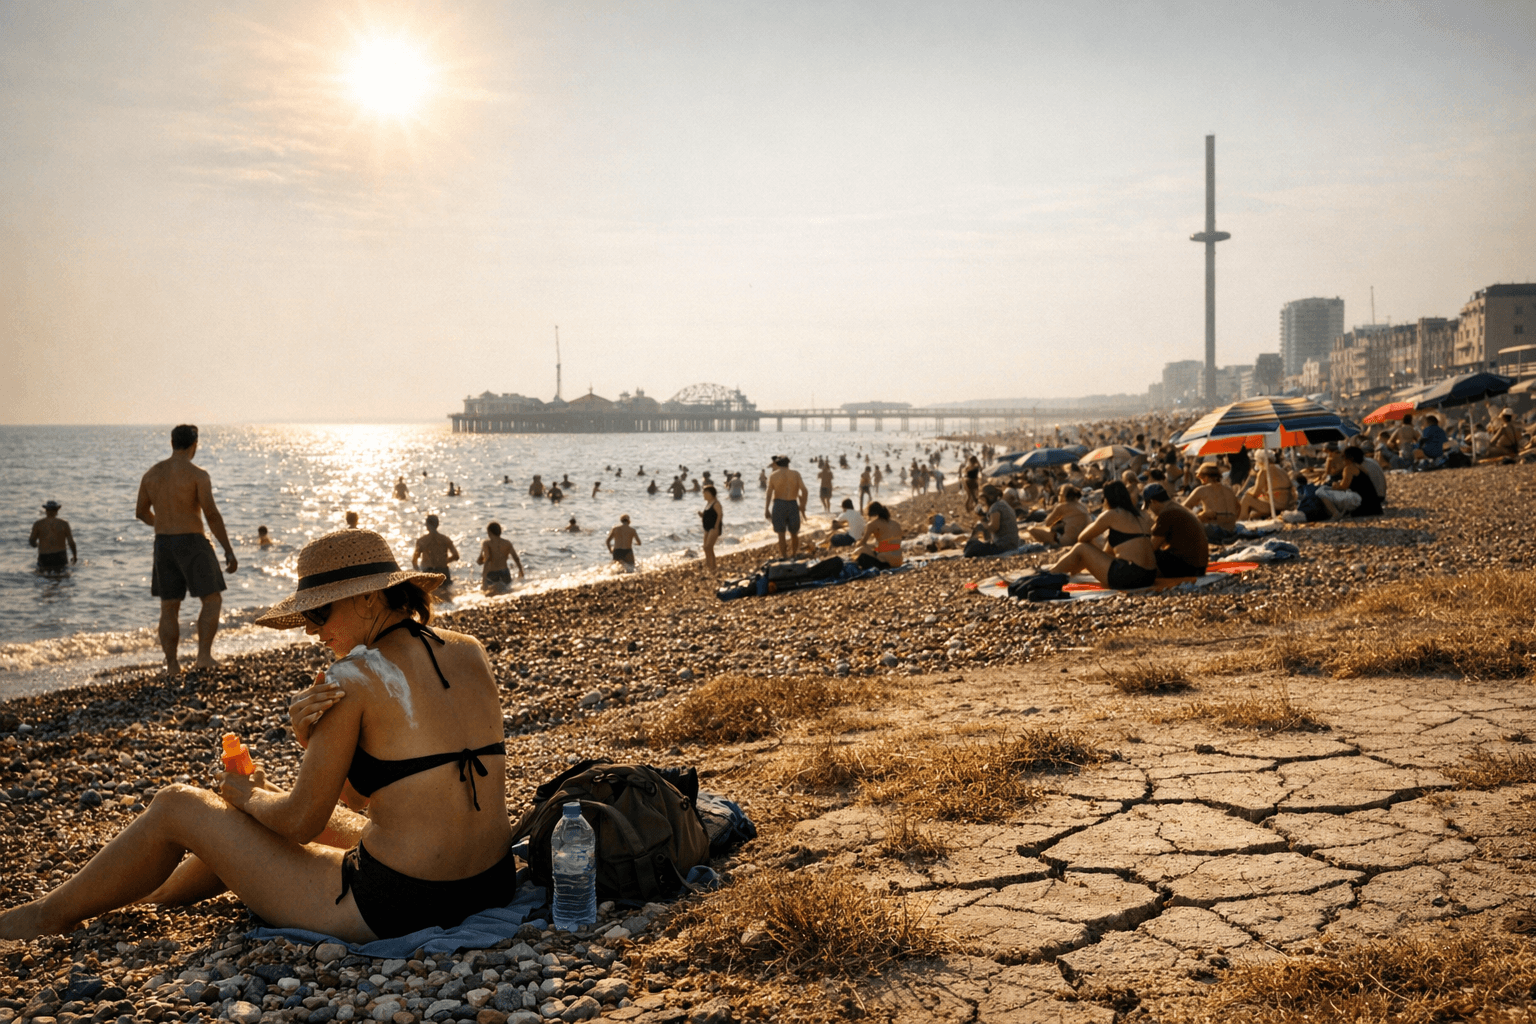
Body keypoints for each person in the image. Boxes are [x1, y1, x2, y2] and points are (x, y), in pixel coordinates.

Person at [0, 529, 515, 943]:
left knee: (179, 805)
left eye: (319, 612)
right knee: (259, 807)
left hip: (401, 905)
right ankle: (149, 899)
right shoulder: (469, 650)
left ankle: (49, 914)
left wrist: (245, 794)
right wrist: (310, 745)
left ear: (368, 596)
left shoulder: (352, 676)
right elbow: (367, 800)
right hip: (490, 884)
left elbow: (299, 822)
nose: (312, 630)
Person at [136, 425, 238, 675]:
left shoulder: (151, 474)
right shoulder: (197, 475)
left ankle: (172, 665)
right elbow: (211, 514)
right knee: (212, 599)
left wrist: (161, 523)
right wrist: (228, 549)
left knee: (169, 606)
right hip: (192, 540)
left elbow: (141, 512)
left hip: (163, 543)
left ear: (172, 443)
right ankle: (203, 657)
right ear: (194, 445)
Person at [1044, 481, 1157, 591]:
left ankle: (1050, 575)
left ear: (1107, 499)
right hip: (1149, 576)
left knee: (1081, 547)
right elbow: (1109, 552)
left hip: (1129, 577)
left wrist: (1102, 517)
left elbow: (1082, 538)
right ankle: (1066, 571)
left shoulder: (1112, 514)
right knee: (1091, 551)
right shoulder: (1143, 515)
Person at [1144, 484, 1209, 579]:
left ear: (1153, 502)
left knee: (1147, 554)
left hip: (1188, 568)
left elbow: (1151, 547)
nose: (1150, 510)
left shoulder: (1167, 513)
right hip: (1199, 567)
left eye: (1149, 507)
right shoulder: (1176, 507)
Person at [1181, 463, 1240, 540]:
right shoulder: (1229, 490)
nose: (1199, 479)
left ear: (1205, 477)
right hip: (1231, 530)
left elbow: (1183, 508)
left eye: (1200, 477)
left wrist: (1200, 515)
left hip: (1215, 531)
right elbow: (1238, 508)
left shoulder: (1202, 490)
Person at [764, 456, 809, 558]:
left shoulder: (773, 475)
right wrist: (803, 505)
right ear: (788, 463)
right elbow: (804, 490)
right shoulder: (795, 474)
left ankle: (784, 556)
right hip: (792, 503)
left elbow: (769, 493)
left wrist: (766, 509)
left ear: (777, 464)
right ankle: (793, 554)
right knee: (794, 533)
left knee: (781, 533)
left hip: (779, 504)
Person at [964, 484, 1021, 558]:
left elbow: (994, 527)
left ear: (990, 497)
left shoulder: (995, 507)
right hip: (1011, 545)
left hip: (1003, 547)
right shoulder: (1002, 503)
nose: (983, 502)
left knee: (971, 547)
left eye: (983, 499)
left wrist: (982, 525)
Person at [1024, 485, 1089, 548]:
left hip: (1066, 542)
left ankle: (1050, 543)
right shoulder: (1083, 506)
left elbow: (1047, 523)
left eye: (1060, 495)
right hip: (1083, 541)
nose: (1059, 497)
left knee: (1031, 529)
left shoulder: (1061, 506)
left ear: (1064, 496)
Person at [1237, 451, 1293, 520]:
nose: (1256, 463)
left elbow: (1256, 493)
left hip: (1274, 507)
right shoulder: (1282, 471)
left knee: (1247, 499)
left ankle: (1240, 521)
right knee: (1253, 514)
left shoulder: (1264, 471)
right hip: (1285, 506)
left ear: (1260, 461)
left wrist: (1248, 492)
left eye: (1256, 460)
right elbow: (1277, 491)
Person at [29, 500, 78, 572]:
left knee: (42, 575)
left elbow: (32, 541)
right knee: (62, 576)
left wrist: (38, 545)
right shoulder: (64, 524)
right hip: (60, 556)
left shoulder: (38, 524)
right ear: (57, 511)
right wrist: (74, 556)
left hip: (44, 556)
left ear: (46, 511)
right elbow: (71, 542)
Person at [852, 502, 903, 570]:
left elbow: (862, 543)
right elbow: (891, 543)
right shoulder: (896, 523)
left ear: (870, 513)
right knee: (875, 549)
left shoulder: (872, 524)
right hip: (898, 561)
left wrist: (857, 543)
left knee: (861, 554)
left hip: (885, 561)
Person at [411, 515, 460, 584]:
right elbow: (456, 556)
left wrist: (418, 571)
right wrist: (444, 561)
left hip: (428, 572)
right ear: (437, 524)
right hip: (443, 572)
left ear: (427, 525)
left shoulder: (422, 541)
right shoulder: (445, 539)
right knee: (446, 590)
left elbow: (414, 561)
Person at [477, 521, 523, 593]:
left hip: (492, 573)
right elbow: (516, 558)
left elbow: (486, 559)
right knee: (506, 592)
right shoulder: (507, 543)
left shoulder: (487, 543)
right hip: (505, 572)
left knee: (489, 593)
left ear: (489, 532)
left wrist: (484, 579)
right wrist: (521, 570)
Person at [698, 486, 723, 571]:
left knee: (708, 546)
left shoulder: (716, 503)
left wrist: (716, 526)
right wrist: (702, 515)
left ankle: (713, 566)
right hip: (707, 528)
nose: (704, 495)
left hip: (713, 528)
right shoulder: (708, 503)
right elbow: (709, 515)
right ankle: (710, 565)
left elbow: (720, 515)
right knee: (706, 548)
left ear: (710, 494)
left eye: (705, 493)